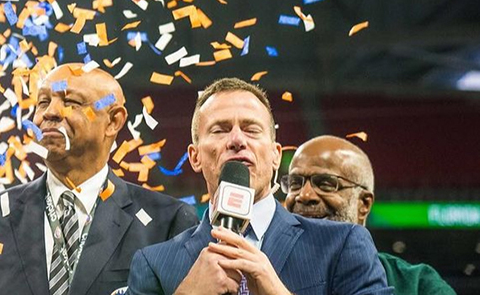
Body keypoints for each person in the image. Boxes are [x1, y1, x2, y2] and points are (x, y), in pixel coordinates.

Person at [127, 78, 393, 295]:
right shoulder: (154, 264)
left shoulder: (341, 244)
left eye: (251, 129)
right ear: (195, 156)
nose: (237, 140)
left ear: (276, 155)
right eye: (220, 130)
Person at [0, 63, 198, 295]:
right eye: (43, 102)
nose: (50, 112)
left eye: (71, 102)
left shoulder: (167, 221)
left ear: (113, 121)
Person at [284, 135, 454, 295]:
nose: (304, 195)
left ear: (363, 204)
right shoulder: (263, 270)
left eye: (326, 184)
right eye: (295, 184)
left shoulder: (417, 285)